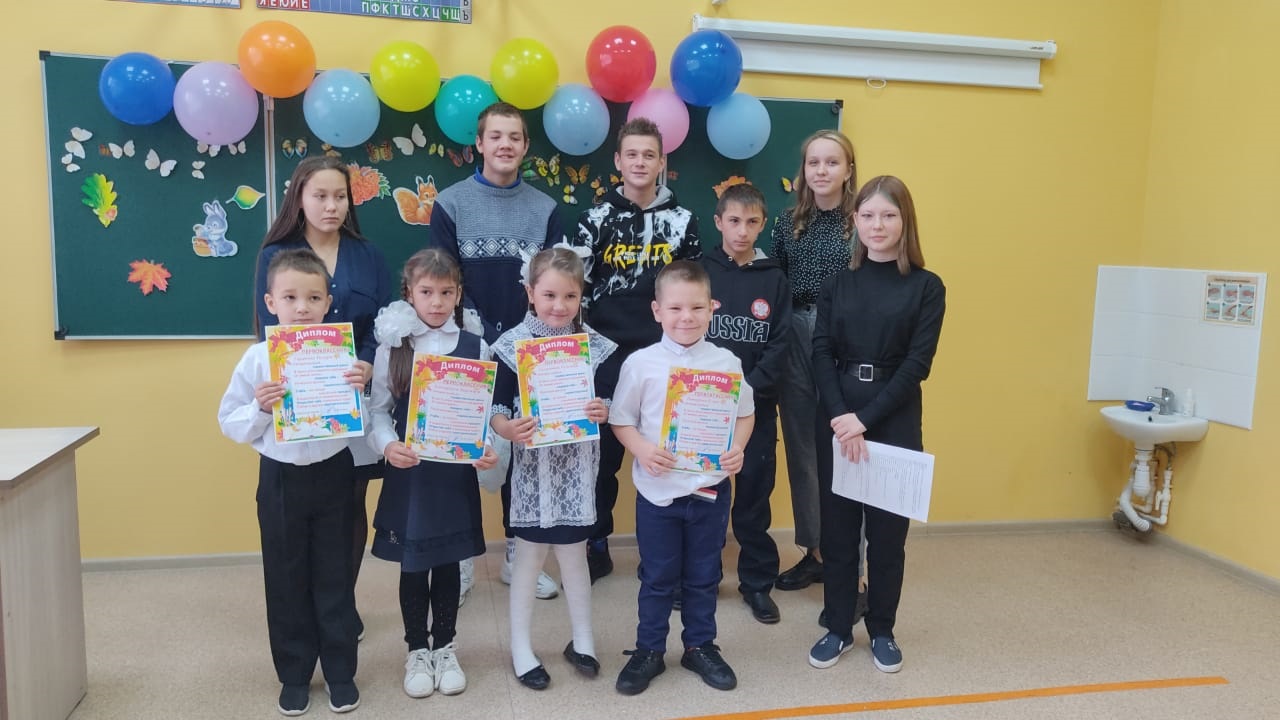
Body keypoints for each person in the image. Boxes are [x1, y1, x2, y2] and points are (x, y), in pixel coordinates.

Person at [807, 176, 945, 674]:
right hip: (838, 414)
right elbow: (821, 351)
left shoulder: (927, 287)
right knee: (839, 534)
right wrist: (843, 418)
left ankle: (882, 628)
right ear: (855, 221)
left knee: (887, 537)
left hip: (894, 416)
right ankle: (838, 627)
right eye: (867, 216)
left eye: (888, 215)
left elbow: (917, 365)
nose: (877, 225)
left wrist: (864, 419)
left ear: (905, 221)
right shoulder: (837, 283)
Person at [429, 101, 564, 602]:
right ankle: (461, 561)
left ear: (525, 146)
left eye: (515, 137)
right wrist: (484, 334)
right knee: (462, 451)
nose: (505, 144)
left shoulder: (546, 209)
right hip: (466, 344)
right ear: (479, 144)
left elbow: (554, 284)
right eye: (496, 136)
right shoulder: (450, 204)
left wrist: (521, 337)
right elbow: (443, 280)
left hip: (530, 350)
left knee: (523, 448)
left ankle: (515, 557)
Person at [220, 248, 363, 715]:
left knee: (335, 574)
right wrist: (261, 408)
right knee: (285, 577)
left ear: (328, 303)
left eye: (313, 298)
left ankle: (340, 672)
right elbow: (229, 423)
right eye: (290, 297)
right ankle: (295, 674)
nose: (302, 308)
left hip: (334, 472)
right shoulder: (257, 359)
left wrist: (362, 387)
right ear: (270, 302)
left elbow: (363, 419)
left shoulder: (343, 355)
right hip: (281, 478)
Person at [255, 156, 392, 637]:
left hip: (353, 397)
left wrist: (370, 360)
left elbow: (382, 325)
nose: (331, 206)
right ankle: (304, 612)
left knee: (349, 503)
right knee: (298, 513)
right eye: (320, 196)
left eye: (340, 196)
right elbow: (267, 330)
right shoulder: (277, 254)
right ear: (299, 198)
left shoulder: (368, 254)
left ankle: (340, 607)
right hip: (298, 403)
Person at [611, 261, 754, 696]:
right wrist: (641, 449)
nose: (686, 317)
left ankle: (699, 646)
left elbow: (745, 414)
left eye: (696, 307)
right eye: (675, 308)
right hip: (658, 495)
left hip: (710, 491)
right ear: (657, 311)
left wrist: (738, 448)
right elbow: (621, 420)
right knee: (657, 577)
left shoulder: (726, 362)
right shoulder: (641, 364)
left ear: (712, 308)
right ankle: (649, 650)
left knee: (704, 575)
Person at [365, 248, 499, 699]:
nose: (437, 302)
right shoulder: (394, 346)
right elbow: (378, 411)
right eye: (427, 292)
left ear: (459, 294)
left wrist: (485, 447)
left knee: (447, 561)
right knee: (413, 563)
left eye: (446, 292)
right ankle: (416, 650)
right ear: (410, 294)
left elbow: (482, 414)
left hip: (452, 477)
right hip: (411, 475)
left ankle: (445, 646)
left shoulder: (476, 346)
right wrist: (388, 445)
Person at [574, 117, 703, 582]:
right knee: (603, 458)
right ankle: (597, 543)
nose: (640, 162)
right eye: (632, 154)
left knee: (663, 453)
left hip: (663, 356)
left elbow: (691, 291)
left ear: (662, 161)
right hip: (605, 356)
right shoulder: (594, 219)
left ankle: (660, 553)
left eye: (649, 155)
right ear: (618, 161)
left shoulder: (684, 221)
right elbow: (578, 291)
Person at [488, 247, 617, 690]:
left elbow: (609, 402)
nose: (559, 306)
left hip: (577, 469)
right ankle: (521, 648)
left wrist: (603, 410)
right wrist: (507, 427)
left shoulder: (594, 347)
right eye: (549, 295)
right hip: (532, 471)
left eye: (569, 296)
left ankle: (583, 640)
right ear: (530, 293)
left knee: (575, 554)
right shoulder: (511, 346)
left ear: (582, 296)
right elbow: (497, 408)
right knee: (529, 557)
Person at [770, 129, 858, 594]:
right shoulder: (788, 223)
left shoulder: (862, 222)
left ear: (848, 170)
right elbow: (775, 286)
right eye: (813, 162)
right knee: (803, 447)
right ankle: (815, 552)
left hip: (846, 338)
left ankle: (850, 557)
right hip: (795, 335)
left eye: (832, 162)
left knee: (845, 445)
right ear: (803, 171)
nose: (821, 170)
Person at [700, 183, 791, 625]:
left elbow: (780, 345)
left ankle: (756, 583)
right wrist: (715, 397)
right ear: (718, 222)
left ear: (763, 225)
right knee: (704, 494)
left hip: (755, 410)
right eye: (734, 221)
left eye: (752, 222)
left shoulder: (774, 279)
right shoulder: (700, 271)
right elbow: (684, 335)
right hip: (703, 409)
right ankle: (703, 577)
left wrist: (746, 396)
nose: (742, 231)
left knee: (753, 496)